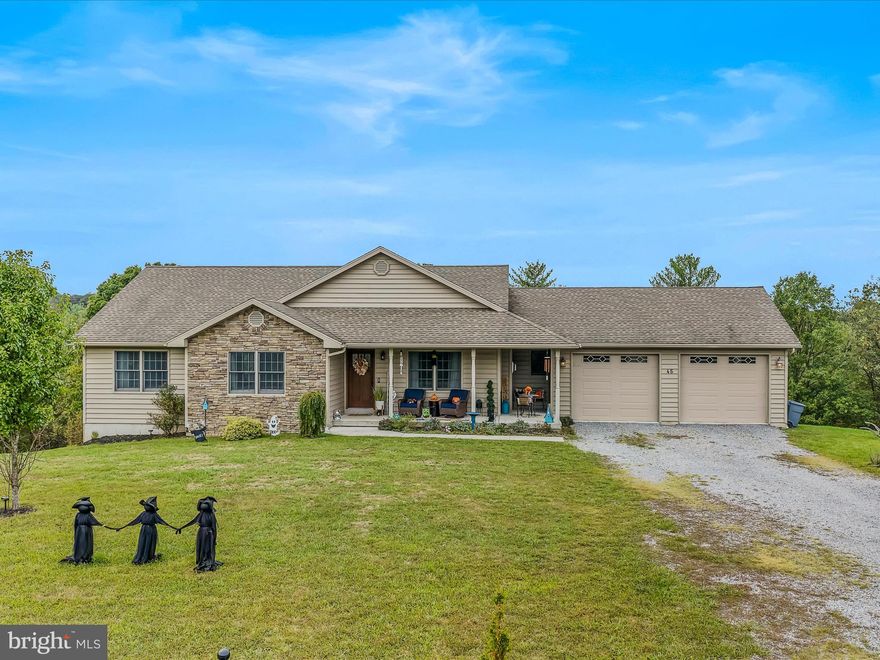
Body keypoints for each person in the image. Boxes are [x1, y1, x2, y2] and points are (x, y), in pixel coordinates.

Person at [112, 496, 176, 564]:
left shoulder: (154, 515)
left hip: (151, 531)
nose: (146, 507)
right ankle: (142, 557)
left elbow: (163, 522)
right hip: (144, 530)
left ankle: (148, 557)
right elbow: (134, 521)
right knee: (142, 543)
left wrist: (175, 528)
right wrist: (122, 527)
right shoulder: (143, 514)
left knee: (149, 543)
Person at [176, 496, 222, 572]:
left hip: (208, 533)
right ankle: (202, 559)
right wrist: (181, 528)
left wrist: (214, 539)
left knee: (207, 547)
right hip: (201, 532)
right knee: (201, 546)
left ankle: (207, 560)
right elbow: (192, 521)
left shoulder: (211, 515)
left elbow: (214, 528)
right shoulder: (201, 514)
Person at [60, 497, 106, 564]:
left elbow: (94, 522)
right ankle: (81, 557)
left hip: (83, 531)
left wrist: (103, 525)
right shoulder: (81, 515)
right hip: (81, 531)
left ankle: (85, 557)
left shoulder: (85, 515)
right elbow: (94, 522)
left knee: (85, 543)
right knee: (81, 543)